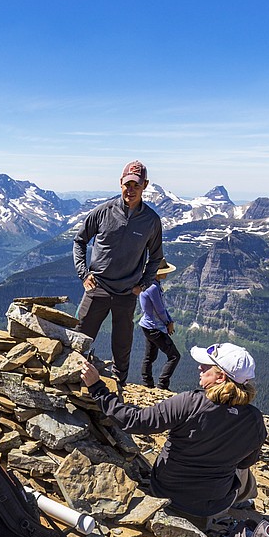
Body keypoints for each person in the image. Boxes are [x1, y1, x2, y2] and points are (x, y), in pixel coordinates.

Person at [80, 343, 266, 523]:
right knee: (243, 472)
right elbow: (245, 462)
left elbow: (134, 421)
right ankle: (239, 503)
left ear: (221, 377)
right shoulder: (255, 420)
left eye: (206, 366)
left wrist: (97, 388)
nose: (199, 367)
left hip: (166, 491)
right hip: (213, 503)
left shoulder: (190, 403)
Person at [73, 160, 164, 385]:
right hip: (98, 287)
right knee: (80, 336)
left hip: (126, 293)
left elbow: (156, 257)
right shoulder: (103, 212)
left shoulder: (151, 221)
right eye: (127, 184)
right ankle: (72, 379)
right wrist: (84, 274)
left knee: (122, 344)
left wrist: (142, 285)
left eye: (136, 185)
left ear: (145, 185)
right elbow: (79, 241)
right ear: (120, 184)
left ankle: (119, 386)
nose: (130, 190)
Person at [138, 259, 180, 390]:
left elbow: (161, 308)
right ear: (158, 273)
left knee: (149, 356)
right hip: (155, 328)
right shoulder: (153, 287)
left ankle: (148, 383)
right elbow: (160, 309)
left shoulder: (149, 284)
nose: (167, 274)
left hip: (147, 326)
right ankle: (162, 384)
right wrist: (168, 323)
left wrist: (170, 321)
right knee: (174, 356)